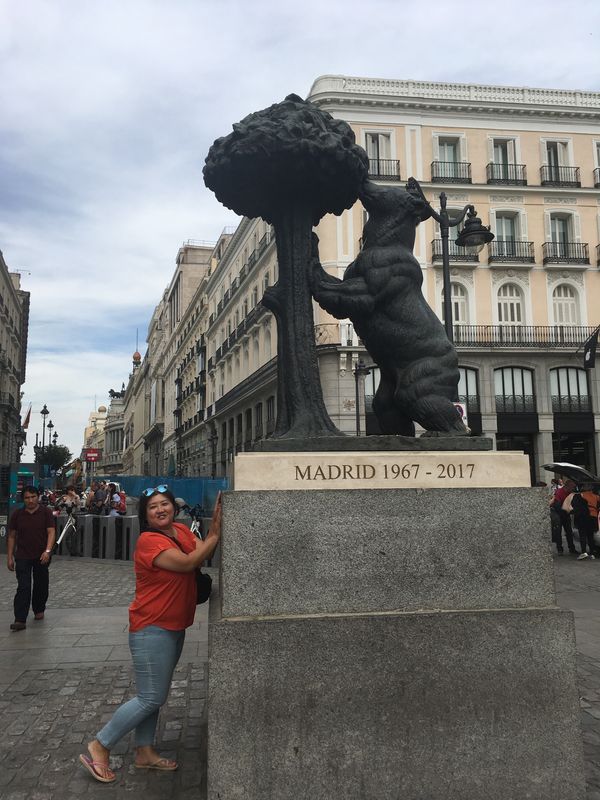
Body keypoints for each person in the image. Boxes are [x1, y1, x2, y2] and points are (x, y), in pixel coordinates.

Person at [79, 486, 223, 783]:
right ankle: (100, 744)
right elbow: (188, 562)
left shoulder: (181, 531)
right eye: (153, 506)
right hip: (151, 627)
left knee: (154, 696)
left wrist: (209, 538)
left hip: (174, 626)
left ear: (174, 507)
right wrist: (214, 535)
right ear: (145, 514)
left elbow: (197, 550)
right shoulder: (148, 540)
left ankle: (144, 752)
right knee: (150, 697)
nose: (160, 509)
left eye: (165, 504)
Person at [6, 485, 56, 631]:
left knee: (41, 584)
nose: (30, 500)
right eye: (27, 498)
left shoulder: (46, 513)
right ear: (23, 499)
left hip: (42, 555)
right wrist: (10, 557)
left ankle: (39, 608)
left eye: (33, 497)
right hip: (22, 556)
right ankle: (20, 619)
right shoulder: (17, 514)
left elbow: (51, 532)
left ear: (38, 497)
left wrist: (47, 551)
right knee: (24, 586)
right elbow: (11, 536)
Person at [572, 484, 600, 560]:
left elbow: (574, 505)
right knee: (590, 536)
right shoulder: (596, 496)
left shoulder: (580, 495)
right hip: (593, 518)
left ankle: (584, 552)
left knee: (583, 535)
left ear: (585, 488)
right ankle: (592, 553)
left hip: (583, 517)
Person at [550, 478, 577, 554]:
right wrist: (566, 511)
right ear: (567, 486)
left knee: (569, 531)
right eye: (572, 487)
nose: (573, 489)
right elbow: (557, 505)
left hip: (565, 513)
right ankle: (560, 549)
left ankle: (571, 548)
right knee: (558, 532)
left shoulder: (569, 493)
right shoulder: (559, 492)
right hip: (558, 513)